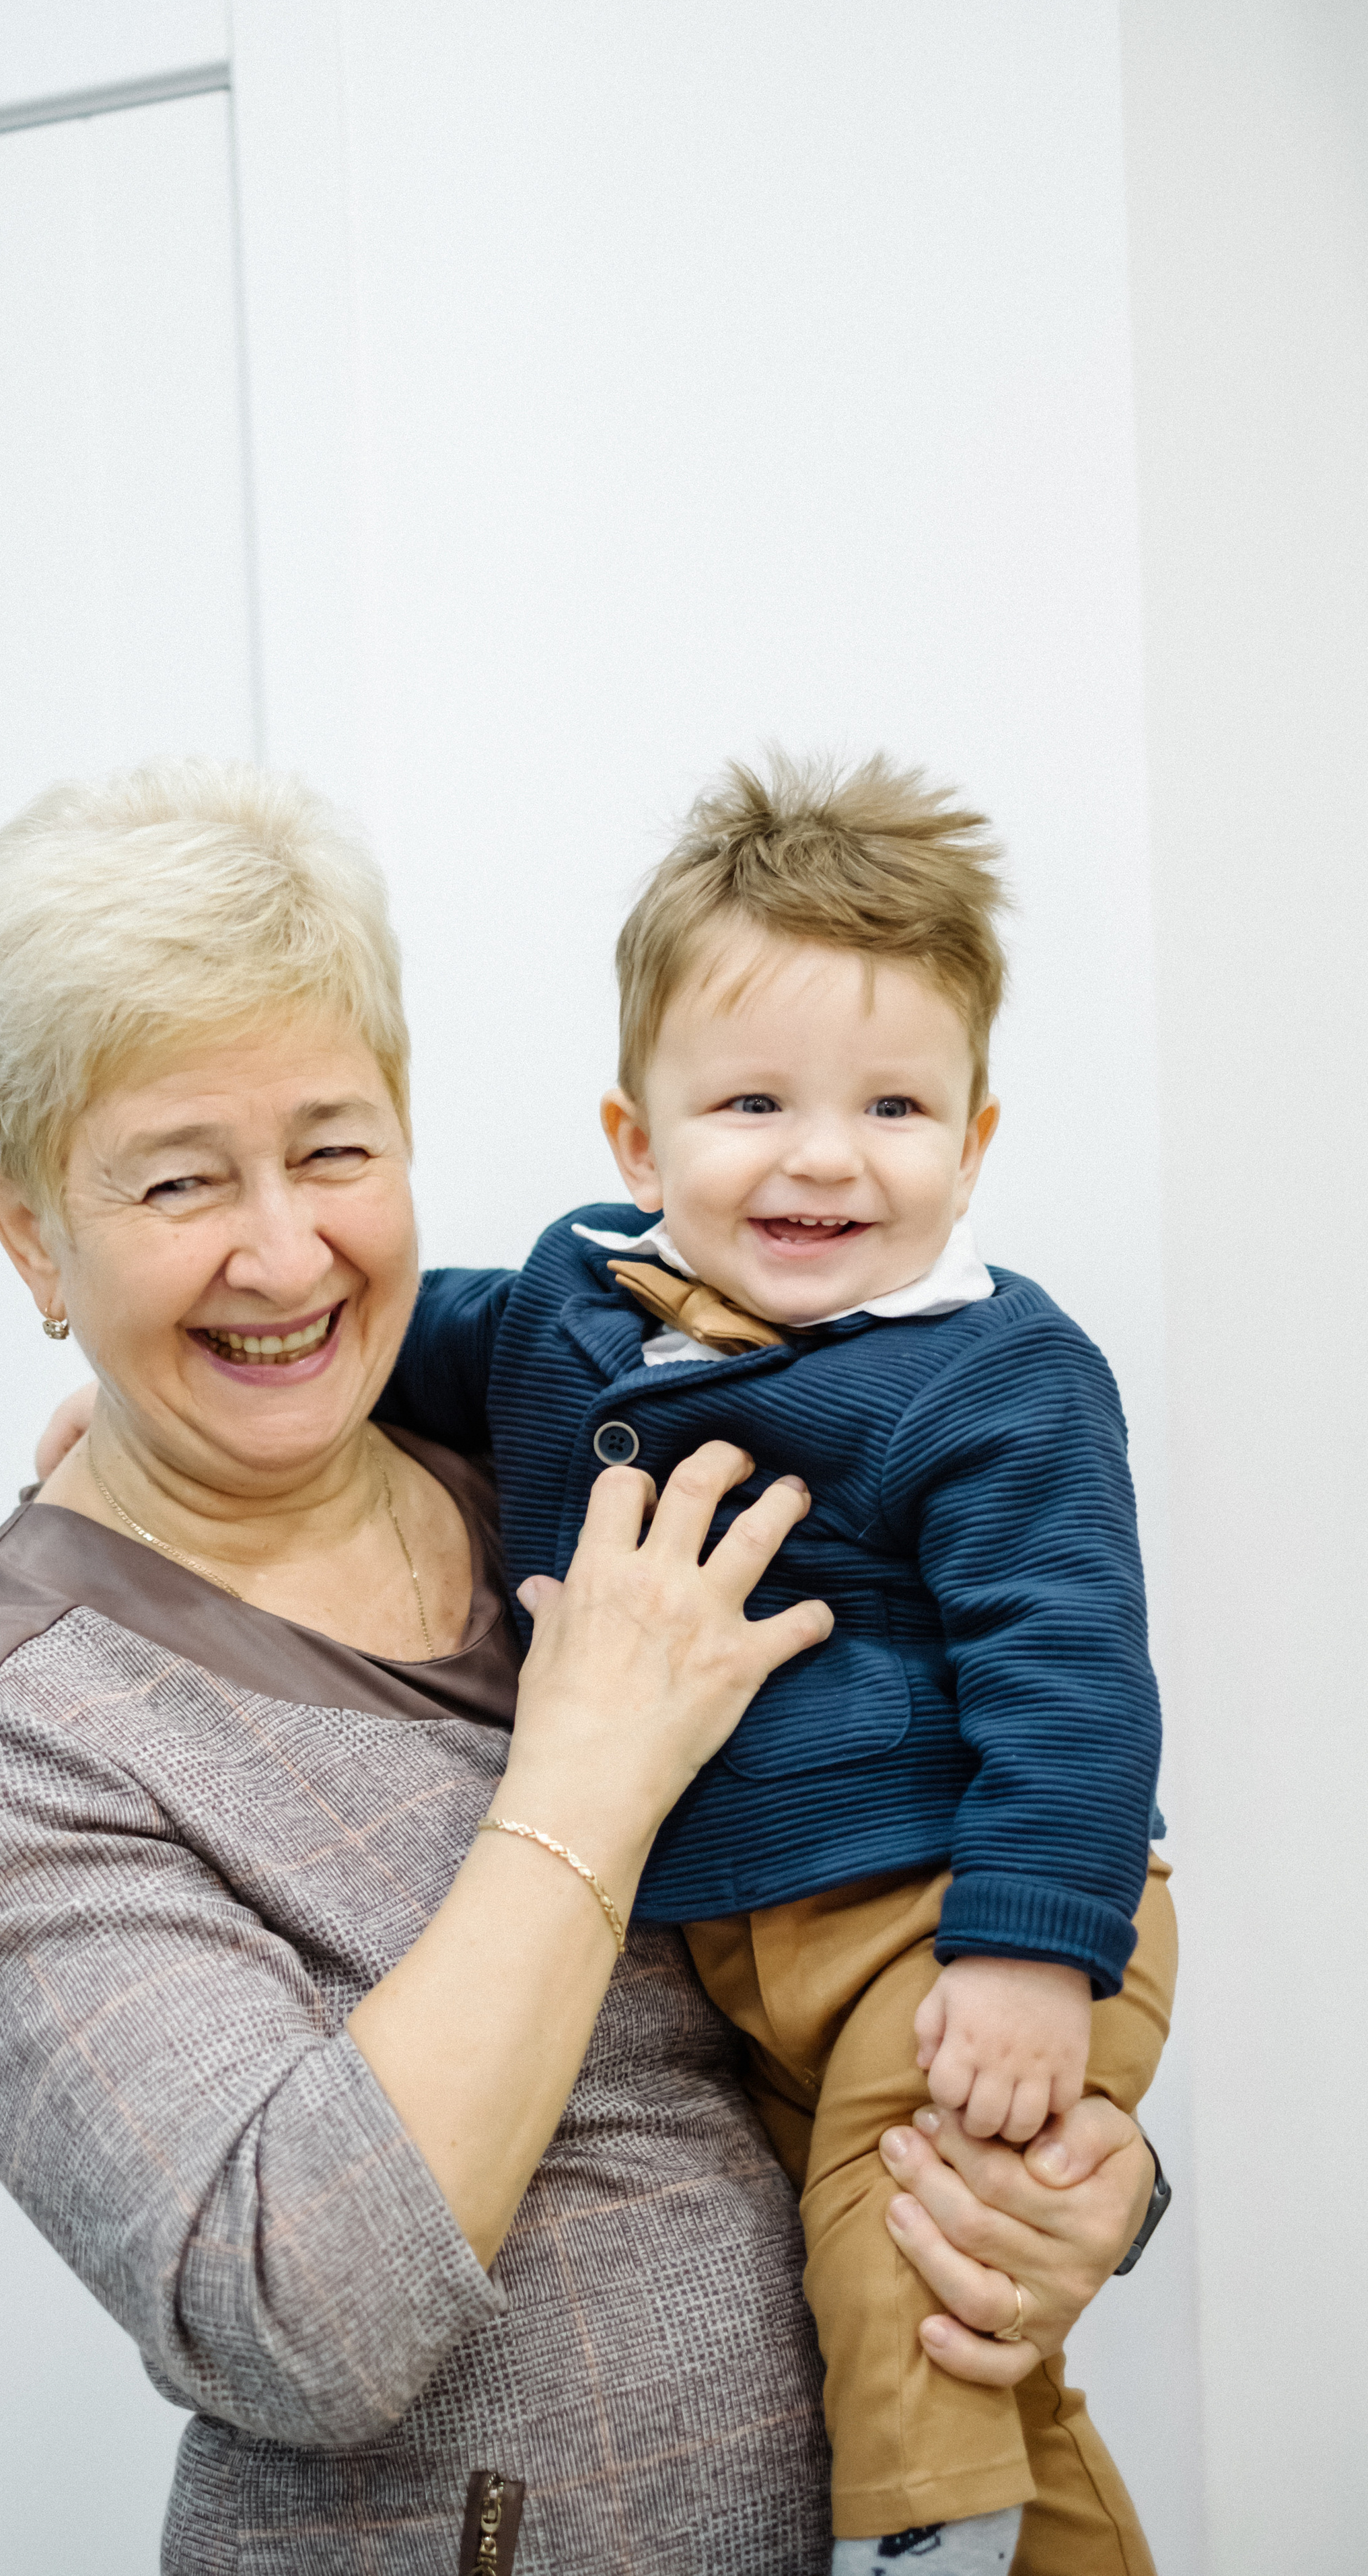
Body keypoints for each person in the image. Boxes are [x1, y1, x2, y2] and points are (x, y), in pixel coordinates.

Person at [0, 756, 1168, 2576]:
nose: (285, 1250)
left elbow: (907, 1879)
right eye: (175, 1181)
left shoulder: (569, 1450)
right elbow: (298, 2317)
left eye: (332, 1148)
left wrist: (1078, 2184)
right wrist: (588, 1768)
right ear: (26, 1228)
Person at [369, 751, 1176, 2575]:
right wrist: (122, 1402)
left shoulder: (993, 1377)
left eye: (896, 1106)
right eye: (753, 1101)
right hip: (753, 1951)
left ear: (972, 1144)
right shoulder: (568, 1303)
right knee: (986, 2359)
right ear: (635, 1139)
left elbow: (1074, 1675)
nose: (825, 1155)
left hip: (948, 1910)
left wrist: (1033, 1953)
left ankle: (926, 2552)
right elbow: (390, 1349)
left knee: (906, 2257)